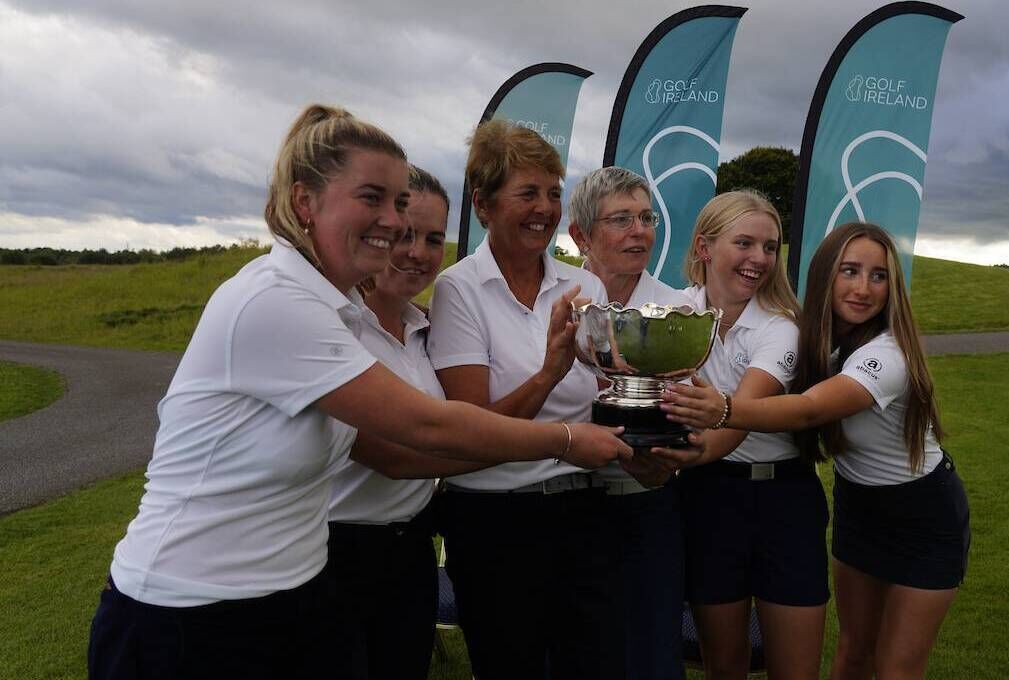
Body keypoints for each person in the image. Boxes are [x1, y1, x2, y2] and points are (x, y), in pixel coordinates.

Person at [87, 105, 631, 680]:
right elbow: (428, 427)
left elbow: (400, 456)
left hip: (293, 594)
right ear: (305, 203)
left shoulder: (336, 311)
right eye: (372, 198)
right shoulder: (274, 301)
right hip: (188, 612)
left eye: (399, 202)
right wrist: (567, 440)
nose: (394, 223)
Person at [661, 222, 970, 680]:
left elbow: (807, 411)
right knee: (853, 653)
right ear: (827, 274)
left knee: (897, 667)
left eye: (879, 276)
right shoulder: (818, 340)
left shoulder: (887, 354)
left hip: (923, 514)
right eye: (850, 271)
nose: (864, 288)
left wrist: (724, 408)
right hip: (858, 506)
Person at [432, 121, 678, 679]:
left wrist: (652, 450)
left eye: (552, 192)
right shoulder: (459, 289)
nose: (543, 207)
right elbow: (468, 431)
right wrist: (548, 373)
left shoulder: (582, 288)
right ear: (483, 203)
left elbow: (606, 404)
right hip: (496, 522)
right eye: (527, 193)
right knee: (511, 665)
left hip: (586, 513)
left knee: (592, 665)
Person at [673, 190, 829, 680]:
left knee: (793, 670)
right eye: (745, 243)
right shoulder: (674, 312)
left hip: (783, 501)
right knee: (724, 666)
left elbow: (739, 419)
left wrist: (662, 461)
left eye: (770, 246)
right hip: (708, 498)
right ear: (704, 247)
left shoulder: (784, 327)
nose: (759, 259)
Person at [325, 165, 470, 679]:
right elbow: (388, 454)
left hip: (410, 551)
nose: (418, 252)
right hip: (335, 553)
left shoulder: (426, 329)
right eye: (405, 235)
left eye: (434, 239)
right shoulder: (337, 326)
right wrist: (554, 445)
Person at [567, 166, 702, 679]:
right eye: (621, 219)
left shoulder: (678, 310)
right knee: (578, 649)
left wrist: (666, 455)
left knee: (650, 650)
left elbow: (688, 412)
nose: (640, 231)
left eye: (646, 218)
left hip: (649, 503)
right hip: (566, 504)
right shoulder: (556, 303)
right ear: (582, 234)